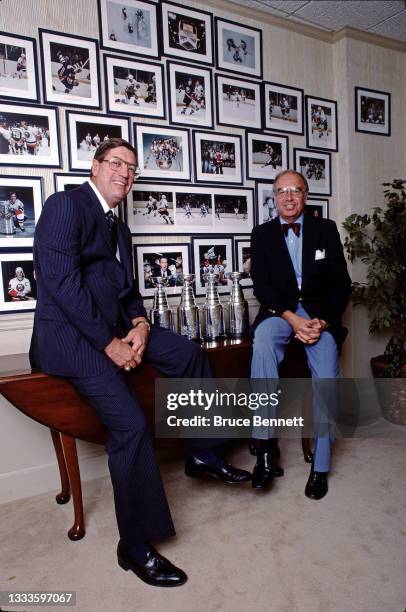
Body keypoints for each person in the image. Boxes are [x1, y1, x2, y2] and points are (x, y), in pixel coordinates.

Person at [29, 138, 251, 588]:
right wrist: (111, 344)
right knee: (131, 427)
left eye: (132, 167)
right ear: (95, 167)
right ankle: (133, 545)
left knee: (189, 354)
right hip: (71, 340)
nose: (125, 173)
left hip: (116, 329)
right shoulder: (65, 206)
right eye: (116, 163)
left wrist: (140, 325)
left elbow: (128, 290)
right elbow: (61, 284)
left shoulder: (118, 228)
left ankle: (203, 453)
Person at [249, 170, 351, 499]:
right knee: (262, 344)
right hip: (282, 312)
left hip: (319, 316)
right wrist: (292, 319)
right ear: (274, 198)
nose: (288, 197)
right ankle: (265, 448)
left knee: (326, 378)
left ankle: (320, 466)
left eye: (295, 190)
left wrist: (320, 322)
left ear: (306, 195)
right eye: (281, 191)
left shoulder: (326, 230)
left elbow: (341, 285)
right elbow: (263, 287)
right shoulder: (262, 234)